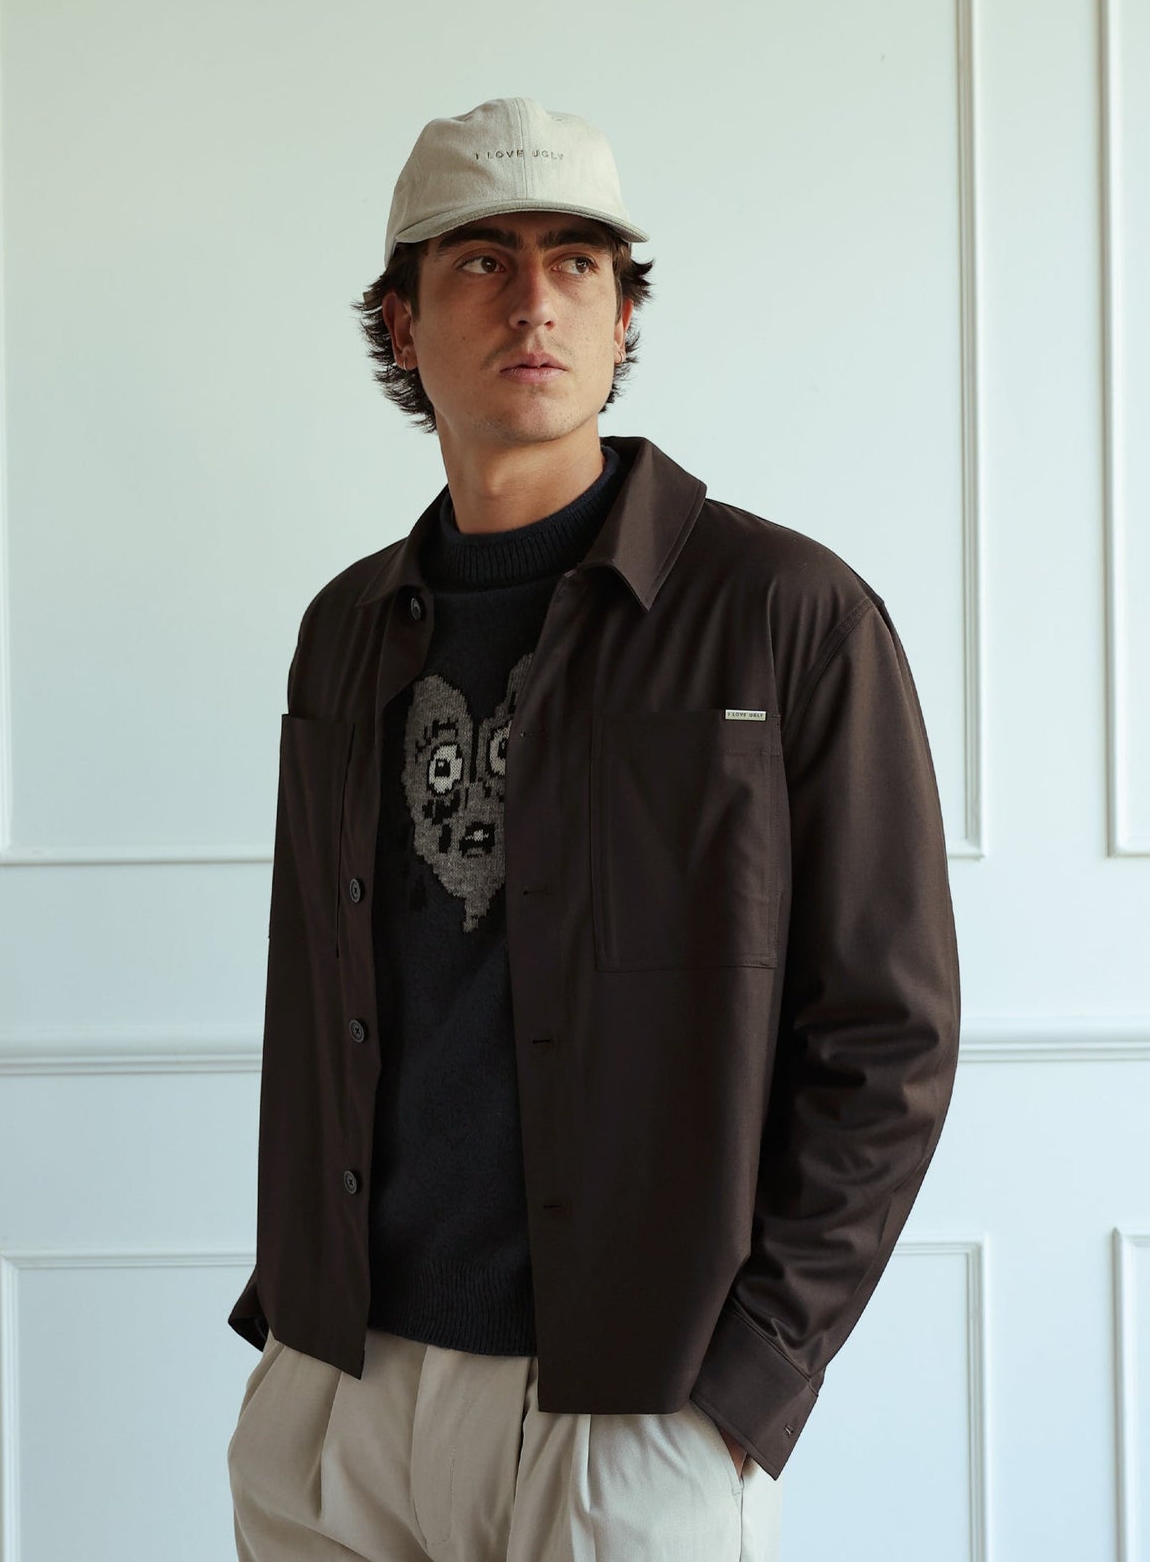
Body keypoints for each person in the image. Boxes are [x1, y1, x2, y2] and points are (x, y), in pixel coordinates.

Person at [226, 95, 962, 1561]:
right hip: (339, 1392)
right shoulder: (346, 630)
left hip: (632, 1411)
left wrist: (750, 1378)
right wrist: (293, 1337)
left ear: (626, 319)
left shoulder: (786, 615)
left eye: (578, 261)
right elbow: (326, 990)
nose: (536, 300)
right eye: (481, 260)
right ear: (401, 322)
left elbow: (888, 1034)